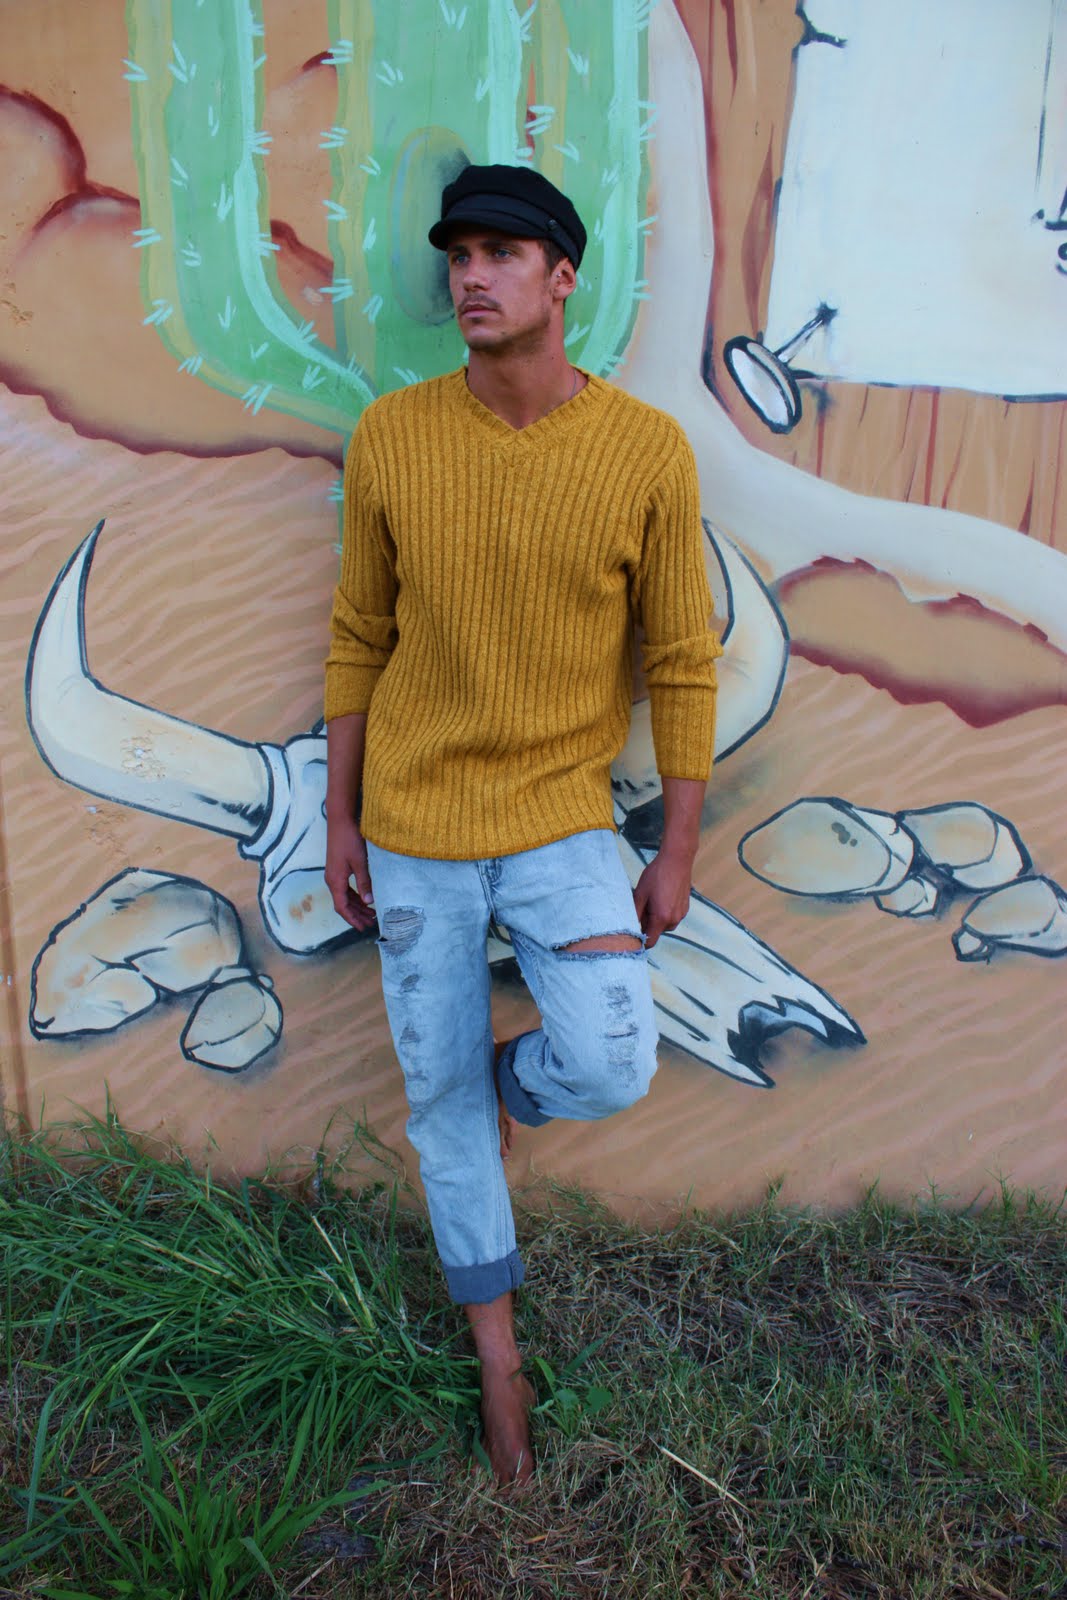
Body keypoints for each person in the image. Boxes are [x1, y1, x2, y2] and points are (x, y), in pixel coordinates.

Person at [324, 164, 720, 1486]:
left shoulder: (645, 451)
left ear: (563, 278)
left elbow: (682, 660)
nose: (471, 276)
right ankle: (498, 1356)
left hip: (563, 821)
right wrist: (339, 815)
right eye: (459, 255)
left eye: (501, 253)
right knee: (435, 1103)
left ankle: (500, 1089)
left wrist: (676, 845)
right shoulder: (393, 437)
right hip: (413, 825)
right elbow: (359, 634)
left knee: (607, 1061)